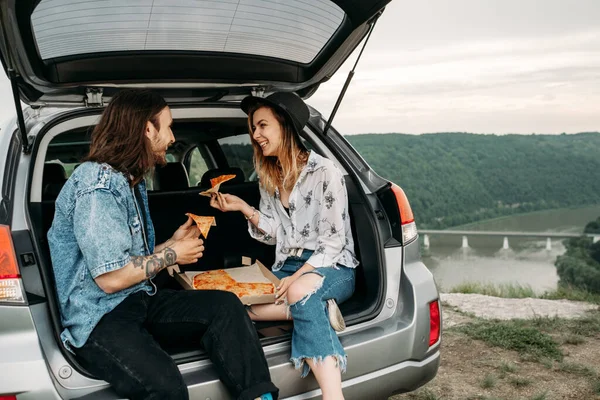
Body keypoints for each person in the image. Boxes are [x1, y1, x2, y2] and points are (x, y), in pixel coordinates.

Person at [47, 89, 278, 400]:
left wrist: (170, 244)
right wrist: (173, 254)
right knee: (167, 387)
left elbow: (126, 261)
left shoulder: (130, 180)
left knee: (224, 306)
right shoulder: (97, 187)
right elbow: (110, 278)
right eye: (167, 126)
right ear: (146, 129)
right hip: (99, 318)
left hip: (138, 298)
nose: (171, 137)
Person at [210, 92, 359, 400]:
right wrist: (242, 208)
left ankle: (334, 397)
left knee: (298, 292)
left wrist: (298, 278)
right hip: (288, 267)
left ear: (286, 126)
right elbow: (274, 234)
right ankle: (315, 307)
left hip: (332, 266)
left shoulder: (325, 172)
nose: (256, 134)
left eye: (262, 125)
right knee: (236, 306)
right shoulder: (269, 177)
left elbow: (333, 242)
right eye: (253, 127)